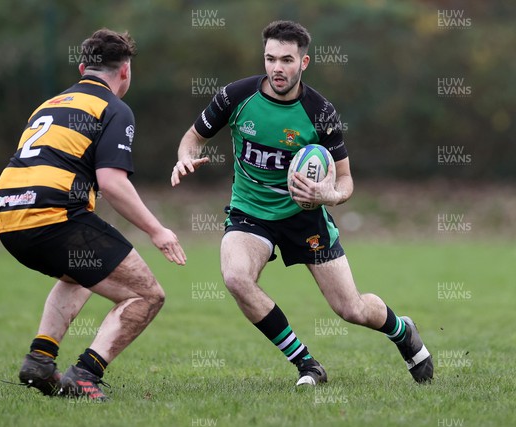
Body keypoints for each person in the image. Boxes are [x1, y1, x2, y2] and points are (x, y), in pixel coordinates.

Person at [171, 20, 433, 385]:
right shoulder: (235, 97)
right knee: (236, 277)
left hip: (305, 215)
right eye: (271, 59)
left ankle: (402, 331)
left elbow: (345, 180)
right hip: (251, 212)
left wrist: (329, 196)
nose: (278, 68)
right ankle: (308, 364)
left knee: (351, 309)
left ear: (303, 63)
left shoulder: (320, 112)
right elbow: (193, 137)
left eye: (287, 60)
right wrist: (185, 156)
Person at [0, 28, 186, 401]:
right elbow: (112, 183)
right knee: (147, 295)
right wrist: (156, 230)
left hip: (7, 216)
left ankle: (40, 359)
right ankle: (85, 375)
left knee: (80, 272)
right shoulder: (114, 108)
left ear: (83, 68)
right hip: (54, 214)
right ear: (125, 72)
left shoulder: (48, 105)